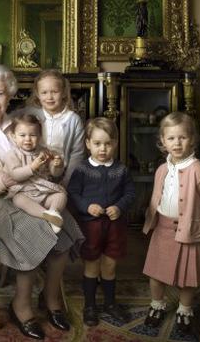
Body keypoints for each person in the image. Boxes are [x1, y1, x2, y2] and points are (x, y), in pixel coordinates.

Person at [0, 64, 83, 340]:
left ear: (10, 95)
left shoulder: (19, 124)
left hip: (26, 193)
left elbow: (37, 166)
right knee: (30, 228)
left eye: (0, 94)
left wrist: (51, 165)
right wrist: (4, 181)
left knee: (64, 222)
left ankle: (51, 297)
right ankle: (20, 305)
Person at [142, 112, 200, 337]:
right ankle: (157, 305)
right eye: (171, 138)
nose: (177, 143)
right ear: (163, 141)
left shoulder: (199, 170)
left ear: (192, 139)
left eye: (183, 137)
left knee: (188, 277)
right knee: (155, 273)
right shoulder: (161, 169)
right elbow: (157, 197)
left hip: (189, 231)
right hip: (162, 229)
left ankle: (185, 310)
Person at [66, 117, 135, 327]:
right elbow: (73, 193)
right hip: (91, 227)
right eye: (97, 144)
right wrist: (87, 206)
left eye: (107, 143)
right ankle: (90, 305)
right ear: (88, 143)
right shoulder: (82, 170)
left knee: (110, 265)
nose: (102, 149)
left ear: (115, 143)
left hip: (114, 227)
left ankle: (110, 303)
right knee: (92, 265)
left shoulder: (121, 170)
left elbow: (131, 192)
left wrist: (119, 207)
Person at [18, 69, 85, 186]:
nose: (49, 97)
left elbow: (77, 155)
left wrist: (66, 182)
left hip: (61, 174)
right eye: (44, 92)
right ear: (38, 94)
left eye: (54, 92)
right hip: (33, 172)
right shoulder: (31, 115)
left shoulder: (73, 120)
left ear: (63, 93)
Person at [4, 114, 67, 233]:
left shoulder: (44, 152)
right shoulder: (12, 155)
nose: (27, 139)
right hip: (24, 191)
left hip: (43, 192)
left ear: (39, 136)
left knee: (61, 196)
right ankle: (46, 215)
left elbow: (55, 174)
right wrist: (32, 167)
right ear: (13, 136)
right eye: (22, 135)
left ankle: (54, 212)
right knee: (18, 199)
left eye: (32, 135)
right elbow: (15, 175)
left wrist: (56, 165)